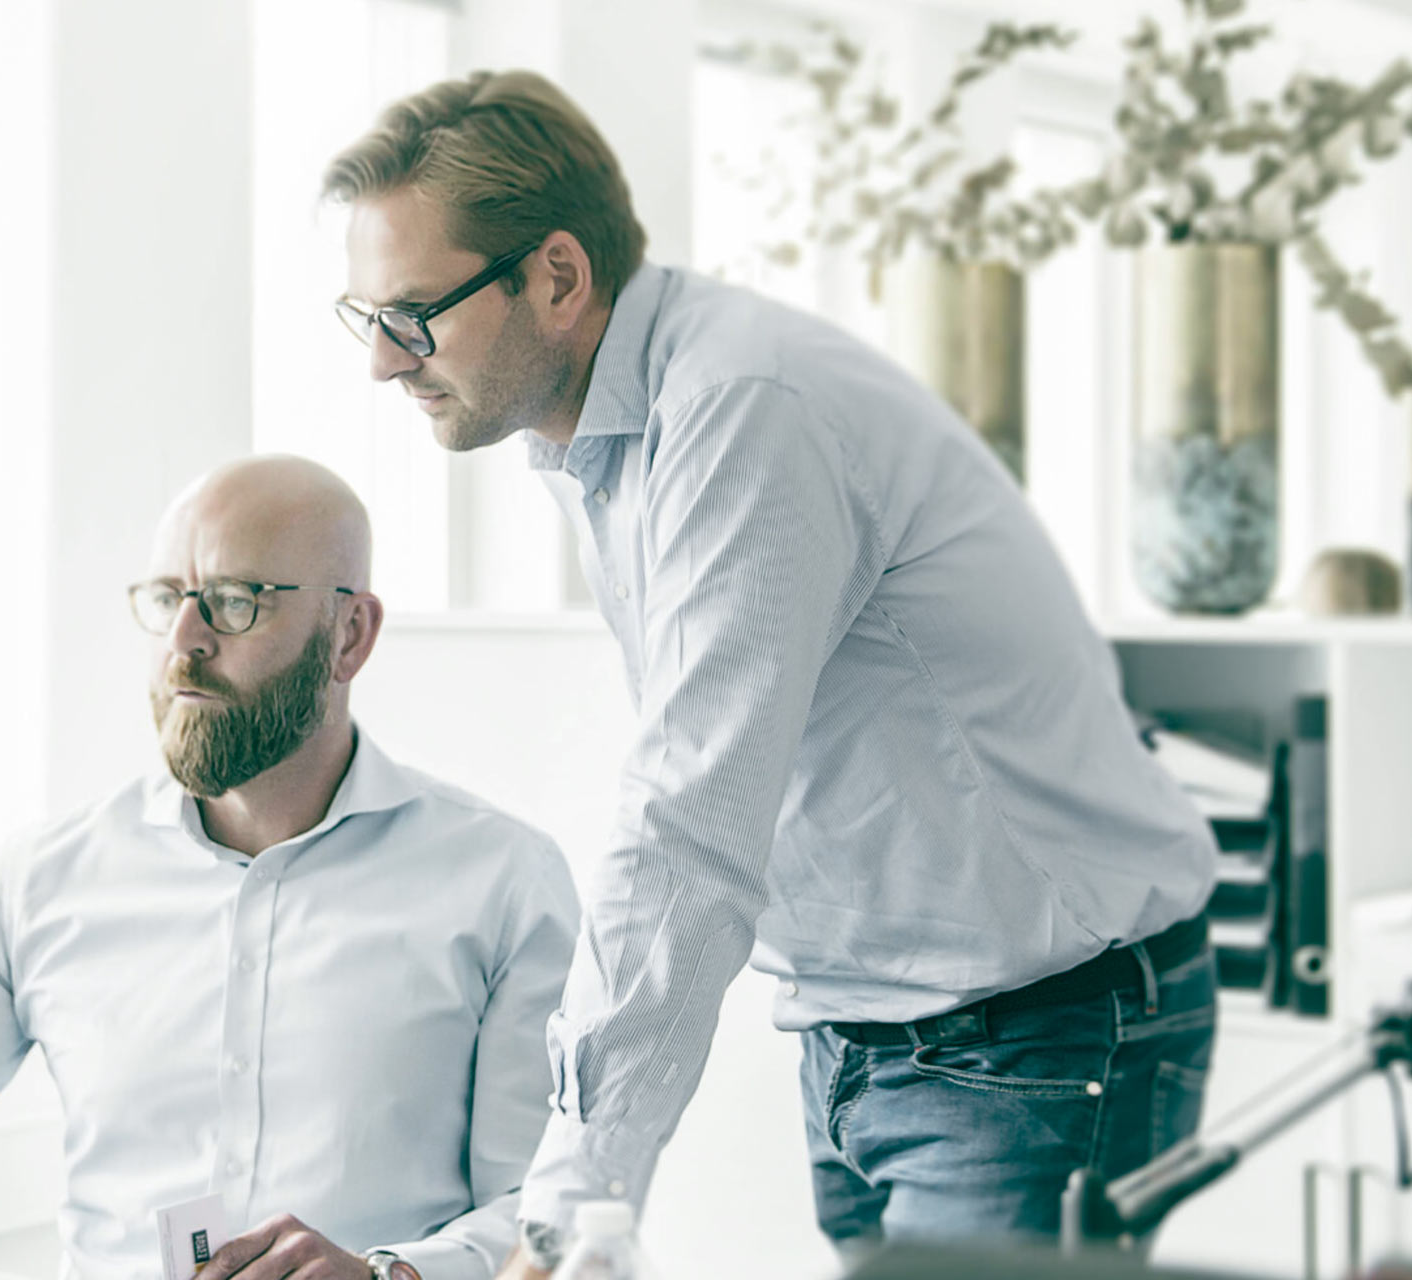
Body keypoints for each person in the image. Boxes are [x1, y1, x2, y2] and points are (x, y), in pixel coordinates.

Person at [322, 71, 1220, 1269]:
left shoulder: (741, 409)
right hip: (870, 1034)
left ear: (556, 275)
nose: (385, 362)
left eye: (414, 313)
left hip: (1036, 1035)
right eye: (366, 315)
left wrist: (565, 1207)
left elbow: (691, 817)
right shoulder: (613, 439)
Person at [0, 455, 580, 1280]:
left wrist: (394, 1276)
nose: (184, 641)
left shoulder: (503, 882)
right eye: (170, 598)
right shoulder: (41, 882)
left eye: (235, 603)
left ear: (350, 635)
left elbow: (549, 1210)